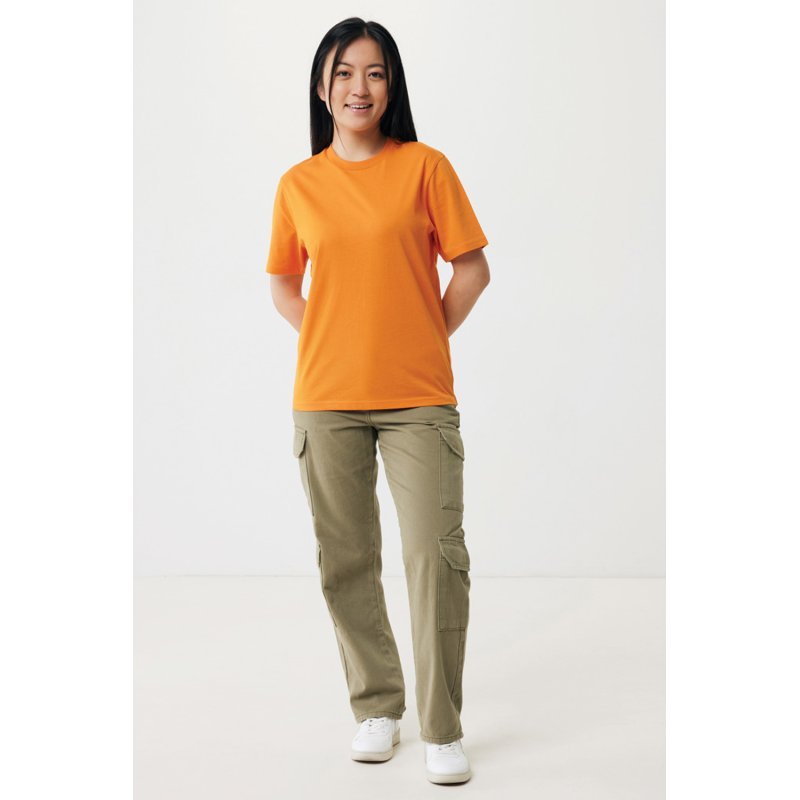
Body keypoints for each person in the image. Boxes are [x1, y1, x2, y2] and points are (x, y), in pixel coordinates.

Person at [265, 17, 490, 785]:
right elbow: (283, 285)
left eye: (375, 72)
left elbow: (471, 270)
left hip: (418, 399)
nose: (359, 87)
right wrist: (333, 336)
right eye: (344, 72)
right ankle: (377, 707)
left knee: (435, 556)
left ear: (392, 86)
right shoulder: (298, 185)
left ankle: (442, 727)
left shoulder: (425, 167)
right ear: (321, 87)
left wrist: (421, 334)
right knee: (346, 559)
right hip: (324, 401)